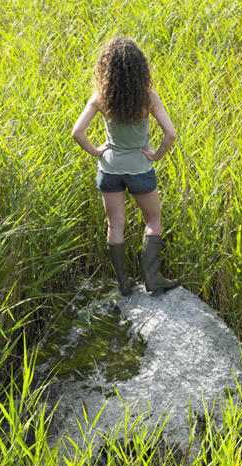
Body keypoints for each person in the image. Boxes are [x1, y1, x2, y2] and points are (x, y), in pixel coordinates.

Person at [71, 36, 178, 295]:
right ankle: (152, 280)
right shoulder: (148, 97)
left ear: (106, 69)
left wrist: (97, 151)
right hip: (140, 169)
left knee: (114, 225)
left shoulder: (101, 96)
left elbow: (77, 132)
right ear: (140, 68)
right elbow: (171, 135)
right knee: (152, 221)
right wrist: (155, 156)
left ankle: (124, 285)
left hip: (109, 170)